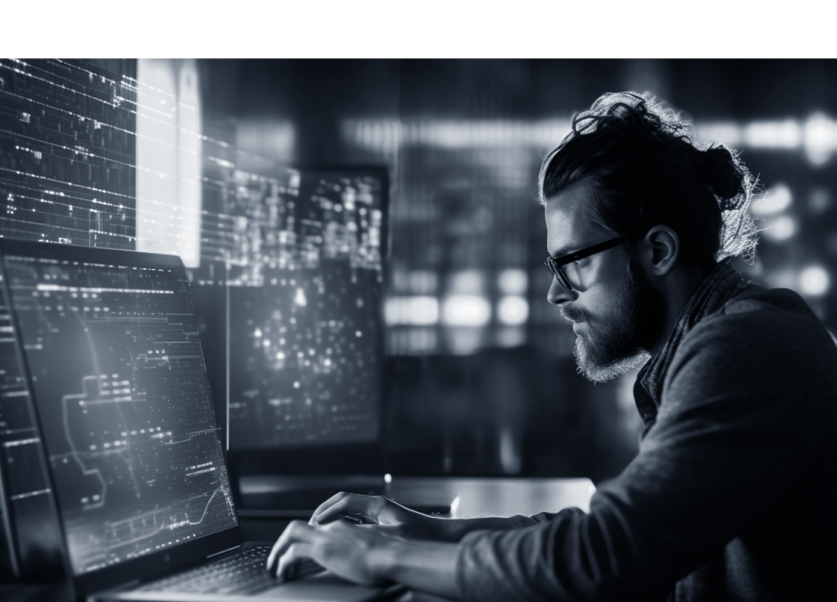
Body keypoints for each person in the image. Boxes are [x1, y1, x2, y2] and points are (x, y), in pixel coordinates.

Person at [267, 92, 837, 601]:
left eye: (575, 263)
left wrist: (383, 556)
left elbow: (608, 556)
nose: (554, 293)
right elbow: (616, 531)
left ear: (658, 251)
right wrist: (441, 533)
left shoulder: (743, 346)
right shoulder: (723, 336)